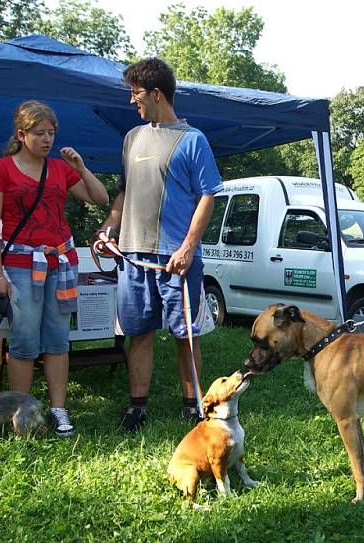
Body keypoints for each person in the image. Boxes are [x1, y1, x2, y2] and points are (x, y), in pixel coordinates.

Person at [97, 58, 223, 432]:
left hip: (176, 259)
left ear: (156, 93)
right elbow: (124, 192)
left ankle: (192, 405)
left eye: (136, 94)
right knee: (139, 333)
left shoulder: (193, 140)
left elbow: (207, 196)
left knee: (186, 334)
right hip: (133, 258)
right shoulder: (132, 138)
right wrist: (108, 229)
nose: (132, 102)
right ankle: (137, 407)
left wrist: (187, 247)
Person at [0, 100, 109, 437]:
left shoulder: (59, 169)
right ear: (21, 134)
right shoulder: (0, 169)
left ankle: (58, 409)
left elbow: (100, 199)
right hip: (22, 265)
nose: (47, 139)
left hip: (61, 262)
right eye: (39, 133)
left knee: (57, 339)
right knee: (23, 341)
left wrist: (80, 167)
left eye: (51, 133)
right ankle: (20, 412)